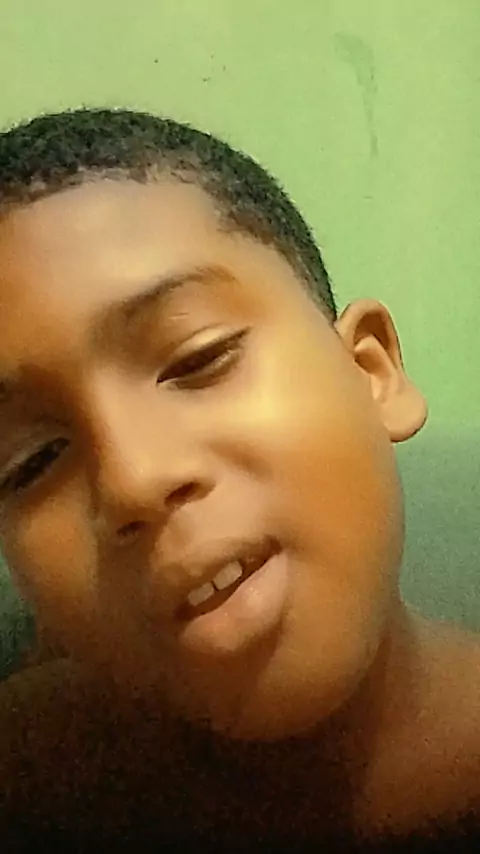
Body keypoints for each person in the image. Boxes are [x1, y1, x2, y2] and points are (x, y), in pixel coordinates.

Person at [0, 107, 478, 850]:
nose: (134, 479)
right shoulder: (30, 778)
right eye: (31, 461)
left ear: (371, 372)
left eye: (199, 358)